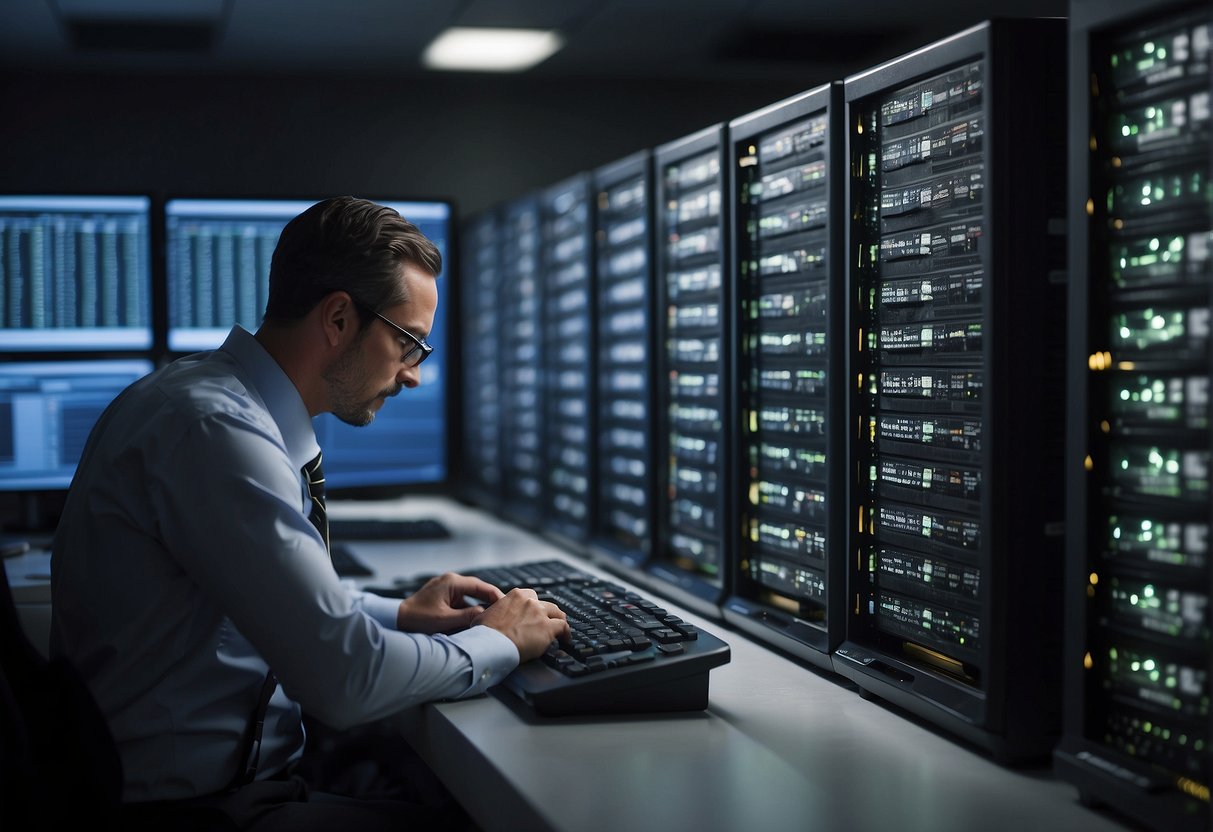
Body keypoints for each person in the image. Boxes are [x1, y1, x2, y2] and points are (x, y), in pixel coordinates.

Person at [50, 196, 570, 830]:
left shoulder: (204, 401)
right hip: (191, 812)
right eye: (409, 344)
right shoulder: (217, 433)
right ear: (339, 318)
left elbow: (276, 602)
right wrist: (499, 642)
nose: (413, 376)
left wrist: (402, 614)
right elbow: (346, 679)